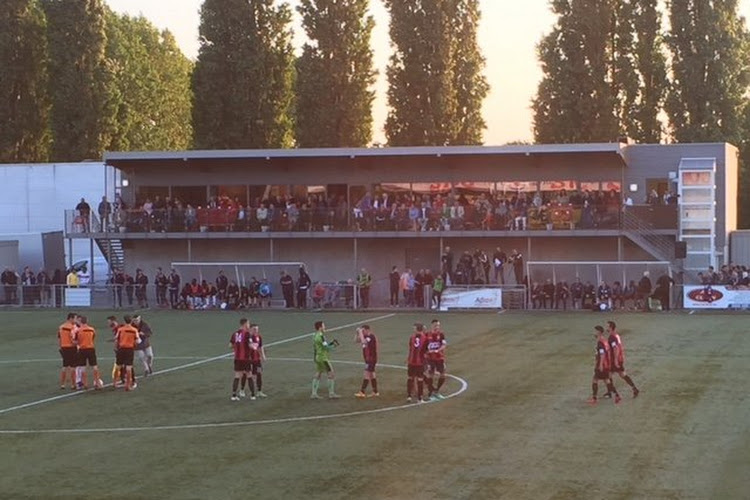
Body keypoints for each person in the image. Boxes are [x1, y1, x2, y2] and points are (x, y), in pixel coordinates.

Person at [605, 321, 639, 398]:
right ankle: (634, 389)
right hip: (619, 359)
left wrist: (615, 360)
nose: (606, 328)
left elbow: (616, 348)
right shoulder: (616, 335)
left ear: (610, 327)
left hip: (615, 360)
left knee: (609, 375)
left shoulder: (612, 337)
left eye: (607, 326)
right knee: (621, 375)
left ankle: (610, 392)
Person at [588, 325, 621, 405]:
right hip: (607, 364)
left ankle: (594, 398)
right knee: (607, 381)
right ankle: (617, 395)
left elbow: (602, 354)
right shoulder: (604, 341)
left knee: (595, 380)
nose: (593, 333)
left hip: (602, 364)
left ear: (598, 332)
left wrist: (600, 365)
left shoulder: (600, 342)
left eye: (595, 331)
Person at [311, 320, 340, 399]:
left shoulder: (314, 335)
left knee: (318, 373)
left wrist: (330, 343)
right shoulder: (321, 336)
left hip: (317, 357)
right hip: (323, 358)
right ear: (320, 327)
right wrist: (334, 345)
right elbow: (326, 347)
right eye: (324, 326)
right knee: (331, 374)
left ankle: (313, 393)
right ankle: (331, 393)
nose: (325, 327)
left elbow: (319, 346)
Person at [74, 316, 102, 390]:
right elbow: (93, 338)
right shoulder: (92, 329)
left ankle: (85, 383)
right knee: (95, 366)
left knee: (83, 367)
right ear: (87, 321)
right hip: (91, 348)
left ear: (80, 321)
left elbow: (76, 342)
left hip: (82, 349)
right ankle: (97, 382)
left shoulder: (78, 330)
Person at [115, 315, 140, 391]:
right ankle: (128, 384)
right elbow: (137, 341)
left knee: (118, 366)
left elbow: (116, 339)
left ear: (124, 321)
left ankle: (115, 383)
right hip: (129, 349)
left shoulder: (120, 329)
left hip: (121, 349)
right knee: (129, 367)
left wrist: (116, 347)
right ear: (131, 321)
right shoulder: (134, 330)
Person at [230, 318, 253, 401]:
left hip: (237, 358)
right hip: (245, 358)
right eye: (248, 323)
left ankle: (233, 395)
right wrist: (254, 346)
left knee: (237, 376)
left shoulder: (234, 334)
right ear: (245, 324)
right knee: (249, 375)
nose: (249, 325)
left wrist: (237, 347)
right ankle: (253, 395)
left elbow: (230, 345)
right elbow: (250, 345)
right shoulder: (247, 334)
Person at [425, 319, 448, 399]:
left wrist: (438, 350)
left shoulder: (441, 334)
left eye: (438, 325)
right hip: (430, 358)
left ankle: (437, 391)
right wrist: (428, 351)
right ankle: (430, 392)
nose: (437, 327)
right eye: (435, 325)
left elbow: (444, 344)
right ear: (432, 325)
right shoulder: (427, 334)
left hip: (439, 357)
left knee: (443, 374)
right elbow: (424, 346)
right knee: (430, 375)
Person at [354, 325, 379, 398]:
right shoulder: (365, 336)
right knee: (372, 374)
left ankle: (362, 391)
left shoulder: (371, 337)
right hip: (368, 359)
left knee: (366, 374)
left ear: (368, 330)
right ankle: (375, 391)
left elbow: (363, 342)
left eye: (363, 331)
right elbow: (356, 340)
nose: (363, 332)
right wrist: (357, 333)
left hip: (371, 359)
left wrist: (360, 332)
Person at [407, 322, 429, 402]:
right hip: (420, 362)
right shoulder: (425, 338)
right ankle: (420, 398)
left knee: (410, 378)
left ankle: (409, 396)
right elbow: (426, 351)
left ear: (417, 329)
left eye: (414, 328)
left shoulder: (411, 337)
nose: (413, 330)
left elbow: (410, 348)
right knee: (420, 379)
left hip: (411, 361)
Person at [57, 312, 78, 390]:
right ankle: (73, 384)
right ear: (70, 318)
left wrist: (60, 347)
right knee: (73, 367)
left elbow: (59, 338)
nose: (75, 320)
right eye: (75, 318)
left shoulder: (61, 327)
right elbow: (73, 340)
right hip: (71, 348)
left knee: (64, 366)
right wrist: (77, 343)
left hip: (64, 347)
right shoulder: (72, 328)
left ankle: (62, 384)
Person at [249, 323, 267, 398]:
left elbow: (260, 346)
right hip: (250, 360)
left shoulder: (259, 337)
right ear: (251, 329)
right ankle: (250, 392)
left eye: (257, 329)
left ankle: (259, 391)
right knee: (250, 375)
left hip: (257, 360)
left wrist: (263, 355)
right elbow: (251, 346)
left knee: (259, 374)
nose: (256, 330)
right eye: (254, 329)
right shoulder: (248, 337)